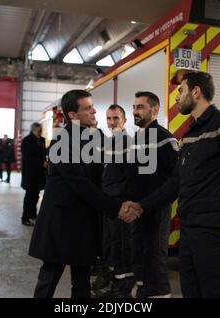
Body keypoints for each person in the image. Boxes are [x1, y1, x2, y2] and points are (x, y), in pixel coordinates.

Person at [120, 73, 220, 298]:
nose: (177, 98)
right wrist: (142, 206)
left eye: (181, 91)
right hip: (189, 230)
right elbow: (176, 182)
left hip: (215, 232)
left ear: (196, 92)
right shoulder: (191, 135)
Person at [28, 90, 122, 298]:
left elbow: (104, 174)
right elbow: (80, 184)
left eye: (92, 106)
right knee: (49, 277)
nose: (94, 110)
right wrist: (116, 208)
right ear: (72, 115)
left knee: (82, 281)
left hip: (85, 221)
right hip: (61, 223)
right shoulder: (62, 141)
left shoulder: (96, 136)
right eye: (87, 108)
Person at [122, 92, 179, 298]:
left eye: (140, 107)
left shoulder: (165, 138)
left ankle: (159, 292)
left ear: (154, 110)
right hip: (137, 208)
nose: (135, 111)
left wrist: (157, 203)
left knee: (155, 256)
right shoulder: (138, 137)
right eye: (134, 107)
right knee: (140, 251)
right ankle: (144, 289)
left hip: (155, 209)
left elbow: (177, 178)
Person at [92, 104, 135, 298]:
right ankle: (113, 277)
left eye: (116, 118)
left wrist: (124, 203)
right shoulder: (109, 143)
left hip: (120, 203)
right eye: (109, 118)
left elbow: (131, 178)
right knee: (111, 243)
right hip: (108, 203)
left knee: (122, 245)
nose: (111, 122)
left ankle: (123, 286)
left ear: (124, 120)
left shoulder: (129, 143)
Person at [21, 123, 46, 226]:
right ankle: (25, 217)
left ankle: (33, 215)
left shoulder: (41, 140)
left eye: (41, 130)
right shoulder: (27, 141)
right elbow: (28, 158)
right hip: (30, 174)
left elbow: (43, 153)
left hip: (39, 174)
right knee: (29, 197)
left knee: (35, 196)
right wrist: (41, 163)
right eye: (38, 130)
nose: (40, 132)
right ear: (33, 130)